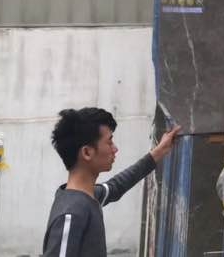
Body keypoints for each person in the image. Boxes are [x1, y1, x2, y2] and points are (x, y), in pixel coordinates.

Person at [42, 107, 181, 257]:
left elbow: (116, 186)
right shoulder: (71, 214)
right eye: (109, 142)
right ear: (87, 152)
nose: (115, 149)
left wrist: (159, 151)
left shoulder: (88, 196)